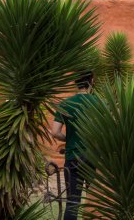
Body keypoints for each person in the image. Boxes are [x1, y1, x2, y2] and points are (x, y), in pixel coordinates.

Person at [52, 72, 96, 220]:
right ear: (92, 81)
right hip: (94, 158)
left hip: (72, 158)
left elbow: (55, 132)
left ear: (76, 83)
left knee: (72, 203)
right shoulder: (100, 103)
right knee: (96, 202)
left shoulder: (65, 104)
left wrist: (69, 138)